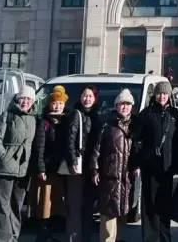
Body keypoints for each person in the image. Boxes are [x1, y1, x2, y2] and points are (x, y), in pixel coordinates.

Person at [134, 80, 178, 242]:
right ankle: (150, 238)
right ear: (154, 95)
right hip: (150, 166)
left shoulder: (174, 114)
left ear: (169, 95)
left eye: (165, 93)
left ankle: (164, 236)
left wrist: (177, 164)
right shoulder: (146, 114)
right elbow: (137, 140)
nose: (162, 96)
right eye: (159, 93)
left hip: (167, 168)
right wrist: (138, 162)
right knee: (149, 203)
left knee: (165, 204)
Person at [0, 85, 37, 242]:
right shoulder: (7, 115)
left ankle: (14, 237)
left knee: (17, 205)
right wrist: (3, 156)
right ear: (17, 99)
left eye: (29, 99)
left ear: (33, 101)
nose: (25, 102)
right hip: (5, 167)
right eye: (23, 98)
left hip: (23, 168)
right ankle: (3, 239)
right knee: (2, 206)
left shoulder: (34, 118)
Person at [91, 89, 139, 242]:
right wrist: (95, 169)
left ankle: (117, 239)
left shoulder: (135, 124)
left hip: (126, 176)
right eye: (121, 104)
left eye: (128, 104)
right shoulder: (107, 123)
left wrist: (136, 166)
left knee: (122, 210)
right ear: (116, 105)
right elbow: (96, 148)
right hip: (109, 174)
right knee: (109, 211)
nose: (124, 107)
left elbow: (137, 150)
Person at [64, 86, 103, 242]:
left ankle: (86, 237)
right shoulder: (76, 114)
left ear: (95, 98)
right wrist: (73, 160)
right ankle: (74, 238)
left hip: (91, 167)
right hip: (78, 165)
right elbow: (70, 140)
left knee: (88, 206)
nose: (87, 99)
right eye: (84, 95)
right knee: (75, 205)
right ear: (80, 98)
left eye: (90, 96)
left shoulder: (98, 116)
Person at [31, 85, 69, 242]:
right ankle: (43, 234)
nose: (57, 106)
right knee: (45, 203)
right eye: (54, 103)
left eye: (60, 103)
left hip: (62, 169)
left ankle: (52, 233)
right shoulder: (44, 121)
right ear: (49, 104)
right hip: (47, 169)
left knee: (57, 202)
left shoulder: (67, 120)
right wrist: (41, 168)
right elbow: (39, 147)